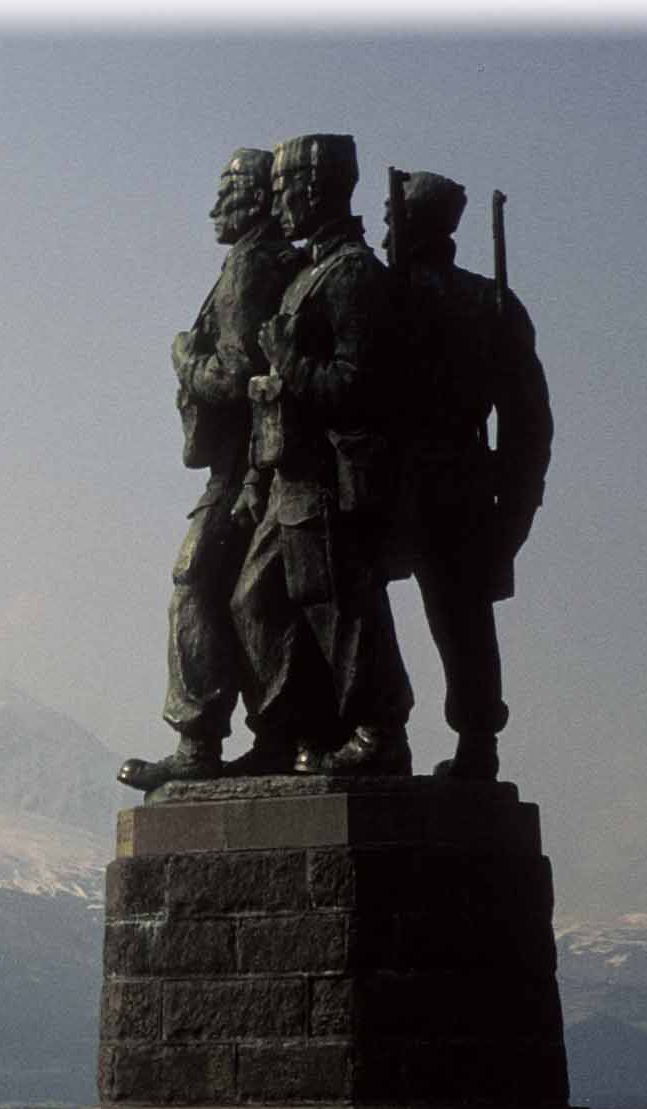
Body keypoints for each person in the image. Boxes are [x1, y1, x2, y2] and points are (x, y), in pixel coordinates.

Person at [228, 132, 416, 775]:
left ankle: (377, 730)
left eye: (284, 189)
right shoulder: (311, 272)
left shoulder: (354, 275)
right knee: (255, 600)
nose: (277, 203)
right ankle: (289, 733)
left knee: (340, 606)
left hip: (333, 475)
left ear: (316, 189)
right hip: (290, 472)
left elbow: (358, 383)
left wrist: (288, 364)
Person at [120, 148, 298, 791]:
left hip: (245, 464)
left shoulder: (251, 265)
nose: (214, 208)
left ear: (254, 199)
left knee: (197, 581)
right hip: (258, 462)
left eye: (225, 194)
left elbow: (235, 372)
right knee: (252, 597)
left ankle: (199, 742)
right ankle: (269, 734)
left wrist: (184, 359)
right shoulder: (273, 260)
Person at [386, 170, 552, 781]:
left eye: (393, 219)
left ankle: (468, 739)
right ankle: (466, 738)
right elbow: (530, 428)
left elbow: (526, 421)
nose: (384, 231)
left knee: (454, 616)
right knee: (457, 619)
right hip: (433, 479)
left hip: (420, 479)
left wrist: (515, 509)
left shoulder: (396, 296)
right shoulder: (483, 301)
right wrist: (516, 507)